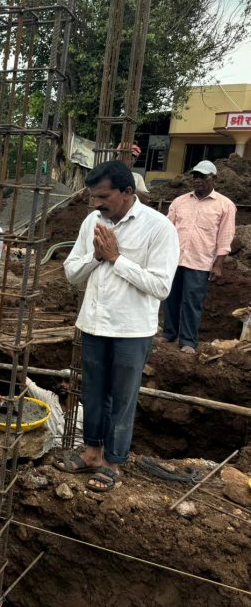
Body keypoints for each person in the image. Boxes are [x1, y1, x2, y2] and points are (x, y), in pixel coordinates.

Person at [59, 160, 178, 493]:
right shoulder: (91, 222)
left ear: (128, 192)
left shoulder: (158, 227)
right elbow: (71, 273)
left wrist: (116, 258)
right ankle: (92, 452)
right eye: (93, 197)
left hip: (132, 329)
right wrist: (95, 257)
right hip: (94, 324)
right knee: (93, 392)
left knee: (123, 397)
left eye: (103, 197)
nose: (96, 204)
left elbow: (161, 286)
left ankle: (114, 461)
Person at [159, 160, 236, 354]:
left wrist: (218, 264)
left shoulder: (225, 205)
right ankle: (169, 333)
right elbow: (167, 229)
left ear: (214, 179)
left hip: (200, 262)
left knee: (192, 302)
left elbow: (225, 237)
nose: (197, 180)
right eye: (195, 176)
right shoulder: (180, 201)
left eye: (203, 176)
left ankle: (188, 341)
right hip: (175, 259)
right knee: (171, 298)